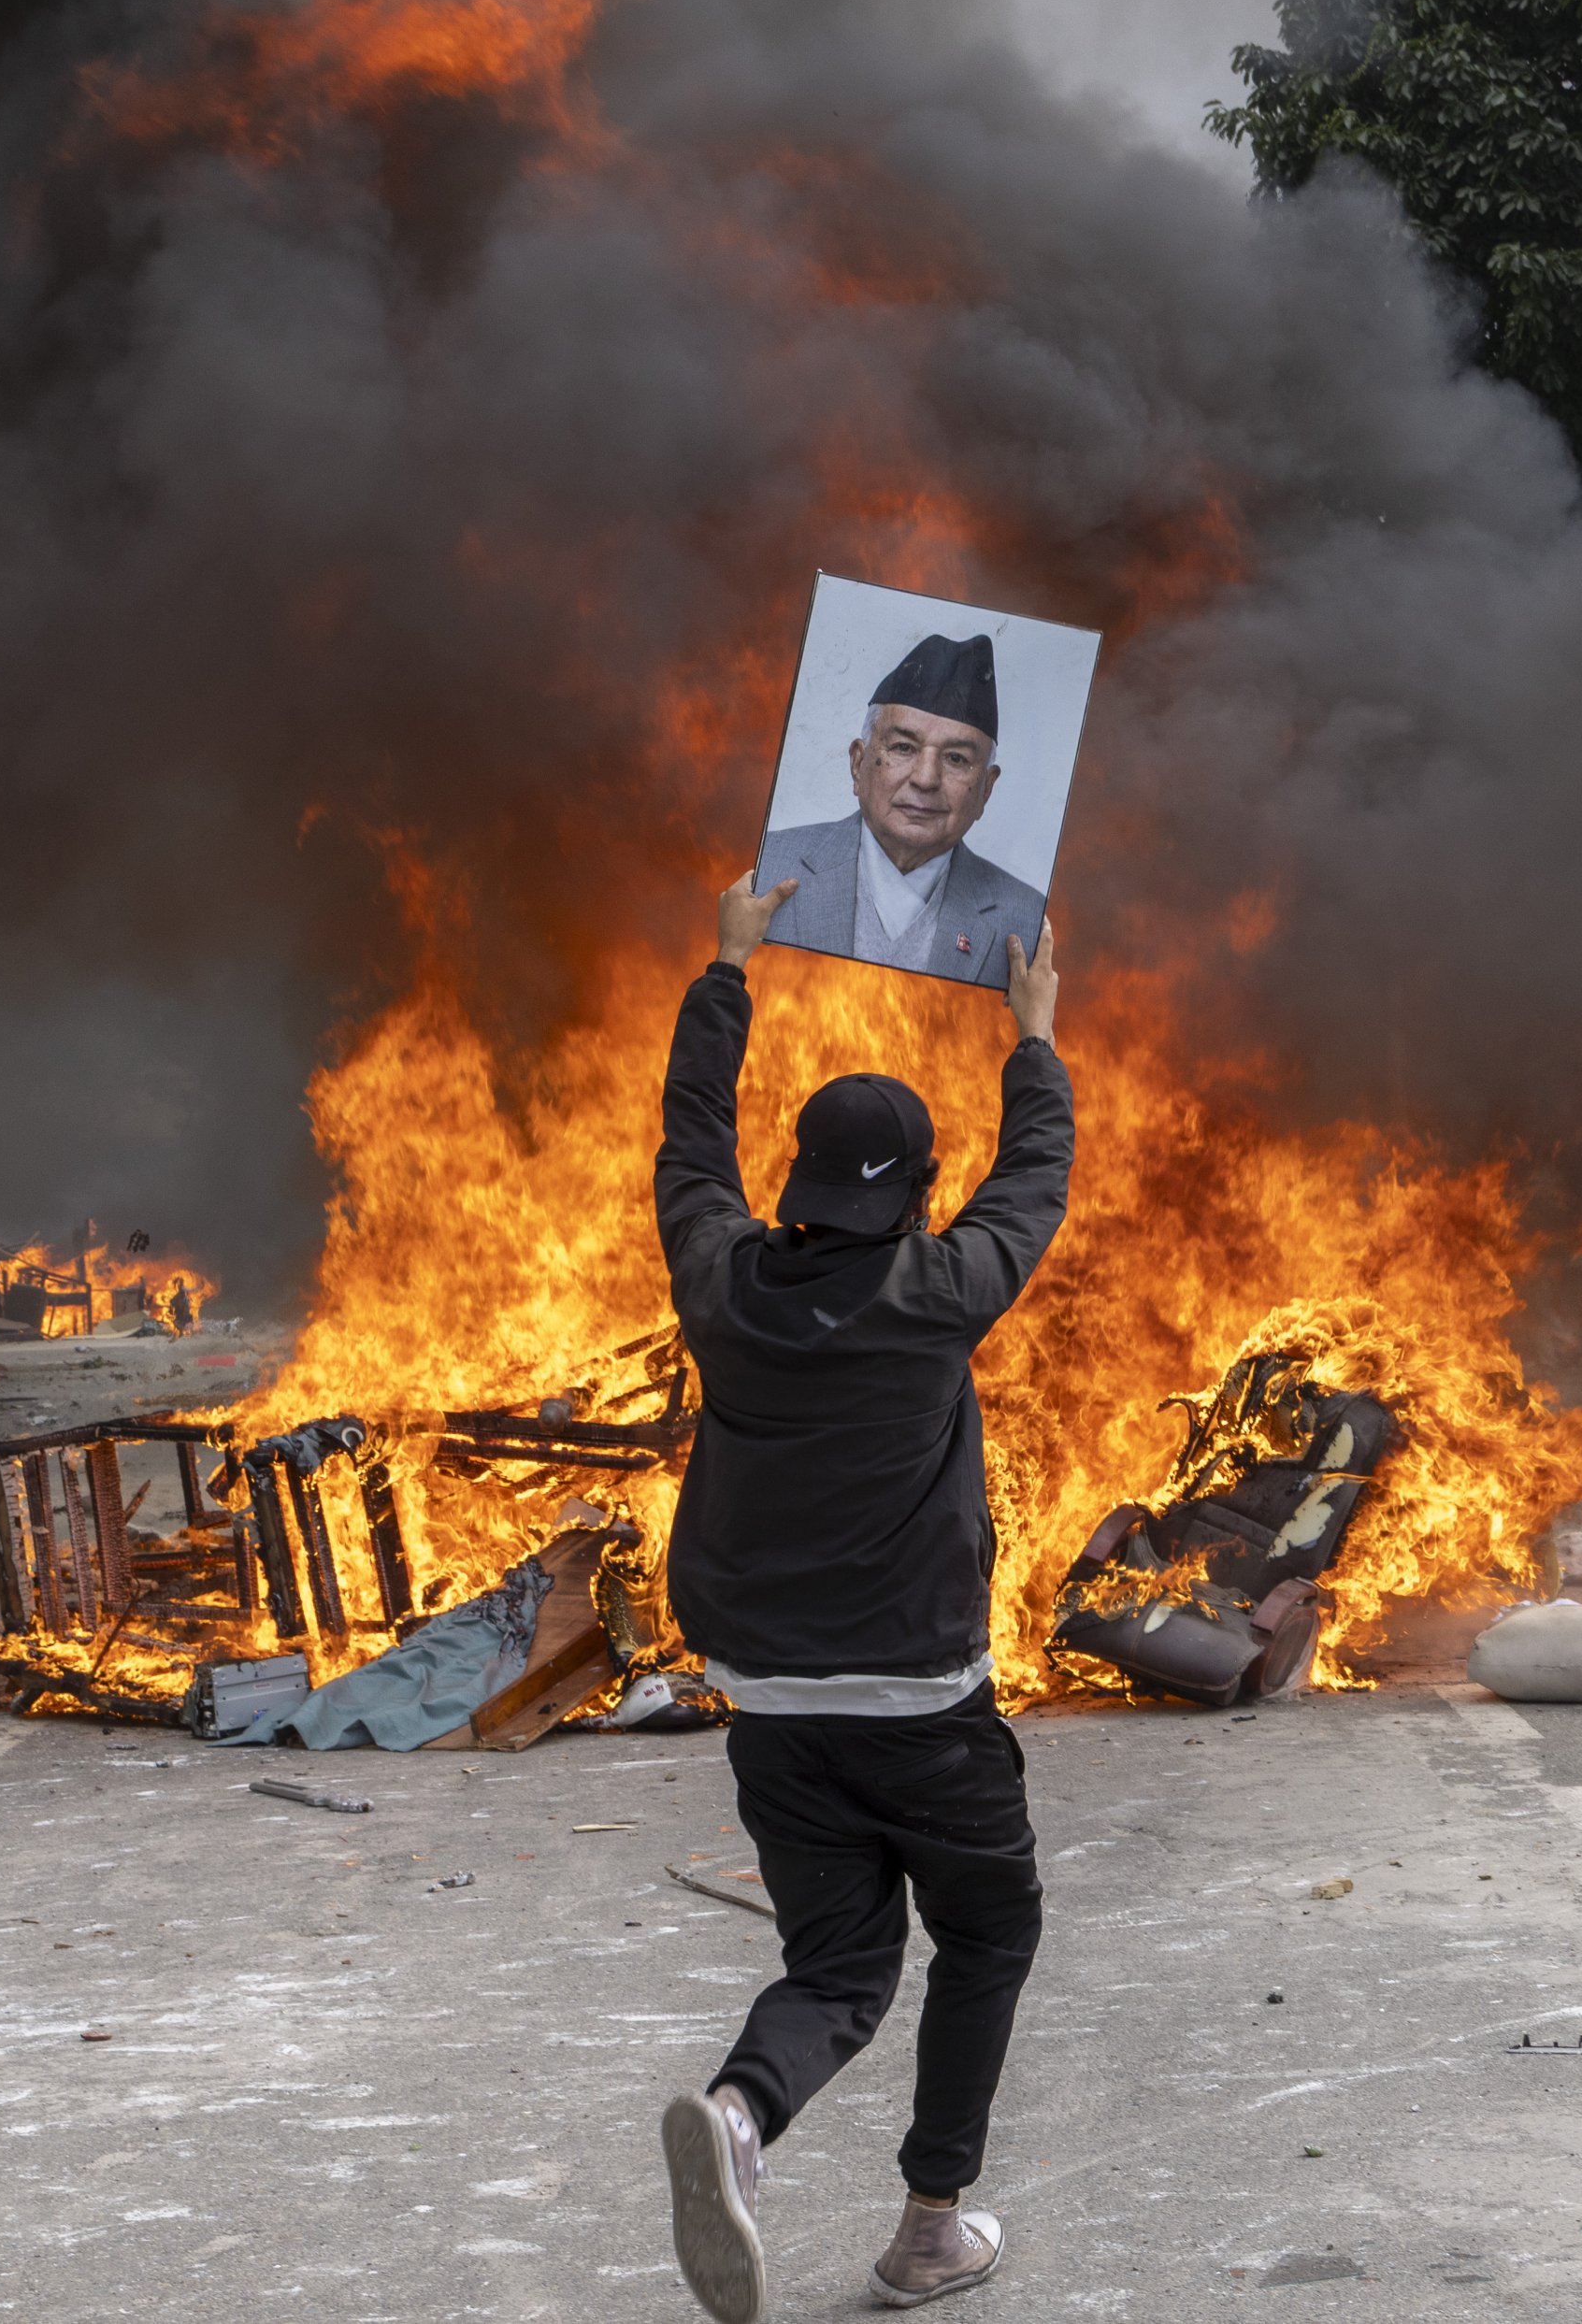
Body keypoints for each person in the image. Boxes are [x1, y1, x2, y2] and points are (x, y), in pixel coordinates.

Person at [656, 869, 1071, 2320]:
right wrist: (1034, 1037)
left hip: (770, 1709)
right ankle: (927, 2230)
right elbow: (1036, 1186)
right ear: (918, 1194)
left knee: (839, 1960)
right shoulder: (942, 1291)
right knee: (990, 1933)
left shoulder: (720, 1285)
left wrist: (729, 970)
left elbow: (688, 1146)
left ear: (800, 1181)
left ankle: (743, 2114)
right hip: (925, 1712)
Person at [758, 632, 1046, 983]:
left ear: (986, 789)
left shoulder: (1028, 923)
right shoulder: (764, 866)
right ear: (857, 763)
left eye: (956, 758)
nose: (925, 779)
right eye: (903, 748)